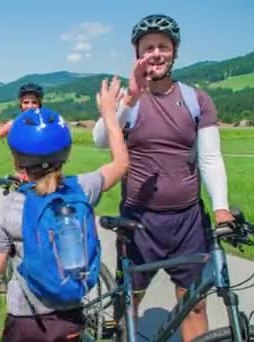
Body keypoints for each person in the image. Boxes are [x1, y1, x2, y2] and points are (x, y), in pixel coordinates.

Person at [92, 14, 234, 342]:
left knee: (194, 305)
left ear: (175, 52)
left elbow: (210, 157)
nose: (156, 53)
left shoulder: (197, 100)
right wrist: (130, 96)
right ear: (137, 54)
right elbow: (101, 139)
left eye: (163, 46)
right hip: (139, 223)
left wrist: (222, 207)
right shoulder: (131, 99)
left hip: (188, 221)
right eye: (148, 47)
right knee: (128, 302)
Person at [0, 77, 129, 341]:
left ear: (18, 160)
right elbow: (121, 163)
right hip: (71, 317)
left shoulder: (9, 208)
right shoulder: (82, 187)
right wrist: (109, 115)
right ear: (66, 153)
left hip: (27, 320)